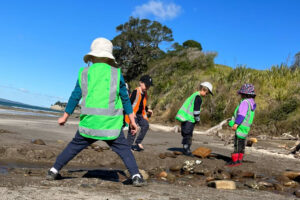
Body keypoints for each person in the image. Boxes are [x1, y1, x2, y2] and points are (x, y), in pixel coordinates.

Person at [46, 37, 146, 186]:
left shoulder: (84, 73)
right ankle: (136, 176)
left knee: (73, 147)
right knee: (124, 150)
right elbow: (125, 99)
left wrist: (65, 116)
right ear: (109, 58)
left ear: (92, 56)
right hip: (110, 124)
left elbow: (75, 96)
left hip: (89, 123)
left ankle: (53, 170)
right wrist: (132, 121)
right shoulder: (116, 73)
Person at [175, 82, 213, 156]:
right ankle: (186, 149)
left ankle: (186, 148)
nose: (206, 95)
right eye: (207, 93)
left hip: (185, 118)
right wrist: (198, 119)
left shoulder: (194, 95)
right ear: (204, 89)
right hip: (189, 119)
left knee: (185, 133)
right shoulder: (198, 97)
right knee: (188, 134)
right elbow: (196, 110)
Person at [226, 84, 256, 167]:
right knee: (242, 144)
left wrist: (236, 124)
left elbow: (241, 115)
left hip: (240, 126)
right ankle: (239, 160)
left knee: (237, 143)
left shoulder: (245, 102)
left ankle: (235, 161)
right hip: (246, 128)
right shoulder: (251, 103)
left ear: (244, 94)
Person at [125, 75, 153, 151]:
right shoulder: (136, 91)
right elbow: (129, 103)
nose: (147, 87)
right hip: (133, 114)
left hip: (140, 115)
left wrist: (147, 109)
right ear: (140, 83)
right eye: (146, 85)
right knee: (133, 130)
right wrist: (130, 113)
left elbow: (142, 104)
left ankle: (138, 141)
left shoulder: (145, 93)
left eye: (149, 86)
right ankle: (128, 147)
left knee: (146, 125)